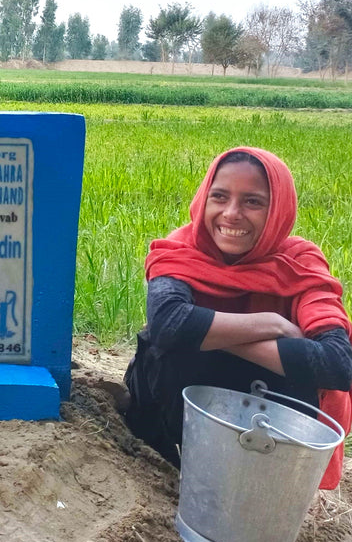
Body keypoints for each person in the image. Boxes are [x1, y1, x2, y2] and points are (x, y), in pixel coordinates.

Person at [123, 146, 352, 489]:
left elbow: (338, 363)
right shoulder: (184, 251)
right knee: (157, 349)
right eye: (220, 197)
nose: (231, 213)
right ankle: (162, 473)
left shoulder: (300, 264)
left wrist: (208, 335)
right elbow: (168, 323)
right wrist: (272, 326)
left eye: (253, 202)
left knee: (179, 343)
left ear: (278, 210)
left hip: (267, 431)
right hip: (181, 412)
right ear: (204, 200)